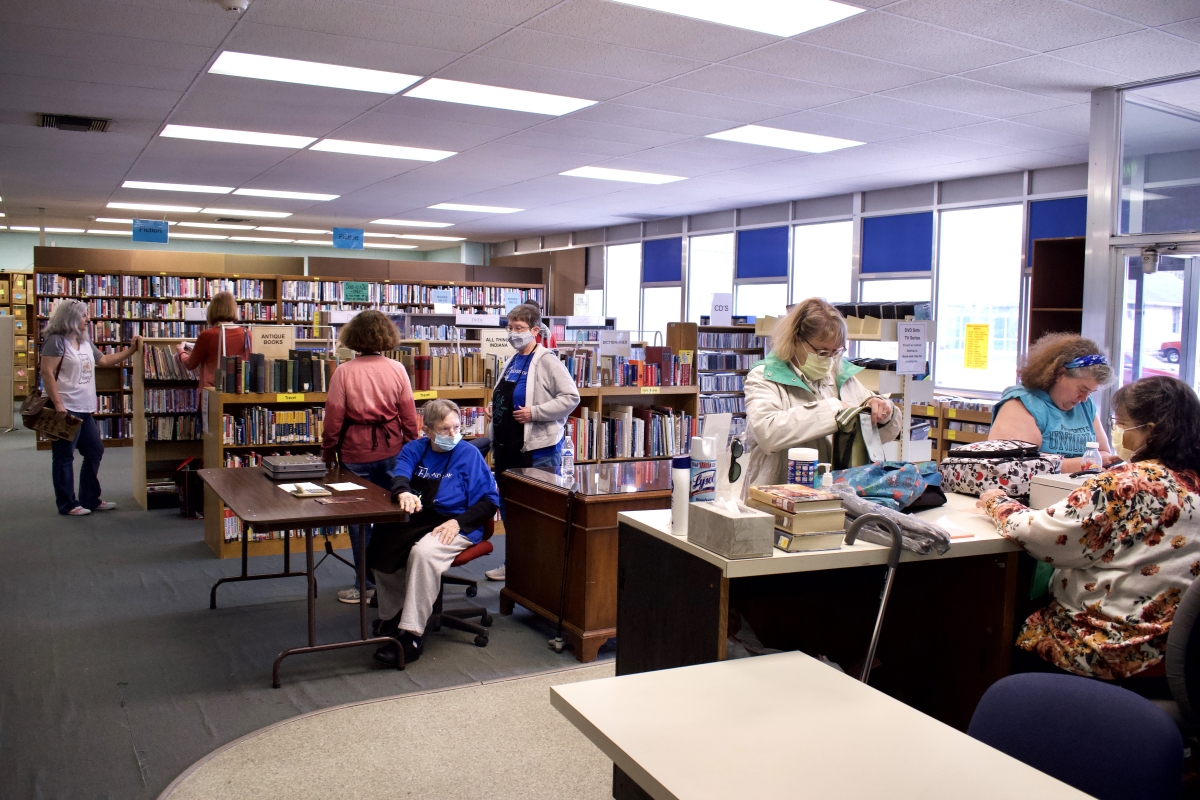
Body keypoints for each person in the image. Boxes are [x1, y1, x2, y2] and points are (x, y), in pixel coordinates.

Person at [979, 375, 1200, 684]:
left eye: (1124, 426)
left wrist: (998, 503)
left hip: (1107, 646)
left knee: (998, 627)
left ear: (1151, 430)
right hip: (1176, 651)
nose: (1120, 435)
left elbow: (1045, 535)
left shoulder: (1127, 483)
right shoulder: (1192, 480)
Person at [370, 400, 500, 665]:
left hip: (458, 521)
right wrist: (403, 491)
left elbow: (489, 500)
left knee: (423, 553)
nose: (453, 435)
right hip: (422, 516)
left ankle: (412, 634)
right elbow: (401, 476)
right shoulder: (413, 449)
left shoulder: (469, 455)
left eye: (456, 428)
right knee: (381, 541)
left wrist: (459, 523)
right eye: (444, 430)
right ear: (427, 430)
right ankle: (392, 615)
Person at [743, 297, 901, 490]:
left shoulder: (841, 375)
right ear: (795, 340)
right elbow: (768, 433)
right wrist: (833, 412)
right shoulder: (764, 376)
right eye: (822, 351)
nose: (829, 360)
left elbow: (875, 437)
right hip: (775, 494)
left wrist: (885, 413)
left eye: (836, 351)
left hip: (833, 496)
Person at [321, 311, 420, 604]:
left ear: (353, 338)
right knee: (396, 516)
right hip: (392, 450)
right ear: (386, 337)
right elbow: (409, 418)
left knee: (359, 521)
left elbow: (333, 420)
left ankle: (364, 585)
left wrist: (328, 453)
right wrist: (413, 451)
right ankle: (394, 582)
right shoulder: (397, 369)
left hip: (355, 452)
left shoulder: (344, 372)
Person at [483, 303, 580, 582]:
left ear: (535, 330)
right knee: (511, 510)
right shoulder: (513, 359)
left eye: (520, 329)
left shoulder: (546, 360)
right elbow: (508, 394)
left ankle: (540, 574)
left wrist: (535, 413)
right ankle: (514, 563)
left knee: (536, 515)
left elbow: (570, 398)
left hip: (536, 451)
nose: (513, 333)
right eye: (510, 328)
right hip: (507, 449)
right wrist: (495, 407)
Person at [40, 299, 142, 515]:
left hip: (85, 408)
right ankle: (67, 504)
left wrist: (131, 351)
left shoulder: (85, 341)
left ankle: (89, 498)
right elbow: (46, 372)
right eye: (84, 315)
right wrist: (58, 403)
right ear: (70, 318)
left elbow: (103, 361)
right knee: (64, 456)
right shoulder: (56, 341)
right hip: (65, 408)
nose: (89, 319)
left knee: (95, 450)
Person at [989, 333, 1117, 472]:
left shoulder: (1085, 404)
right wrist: (1083, 464)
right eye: (1082, 389)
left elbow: (1104, 453)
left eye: (1090, 392)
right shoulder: (1021, 404)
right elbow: (1017, 468)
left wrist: (1093, 462)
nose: (1084, 398)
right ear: (1059, 374)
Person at [175, 291, 248, 389]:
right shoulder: (248, 334)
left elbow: (190, 364)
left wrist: (181, 350)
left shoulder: (208, 335)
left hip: (212, 392)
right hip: (240, 391)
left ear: (212, 310)